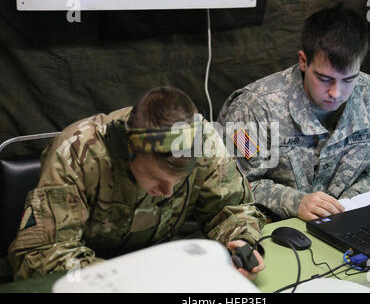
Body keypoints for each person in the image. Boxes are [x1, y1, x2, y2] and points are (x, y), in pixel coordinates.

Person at [8, 86, 266, 281]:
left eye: (178, 182)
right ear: (127, 150)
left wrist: (240, 239)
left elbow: (230, 209)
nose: (167, 192)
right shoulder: (76, 152)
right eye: (156, 180)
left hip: (166, 267)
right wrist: (130, 279)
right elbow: (41, 254)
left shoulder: (204, 141)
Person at [217, 5, 370, 221]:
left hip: (348, 223)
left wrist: (341, 206)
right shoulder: (254, 108)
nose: (336, 93)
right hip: (275, 230)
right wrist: (294, 202)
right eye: (324, 79)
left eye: (348, 80)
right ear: (303, 61)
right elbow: (232, 186)